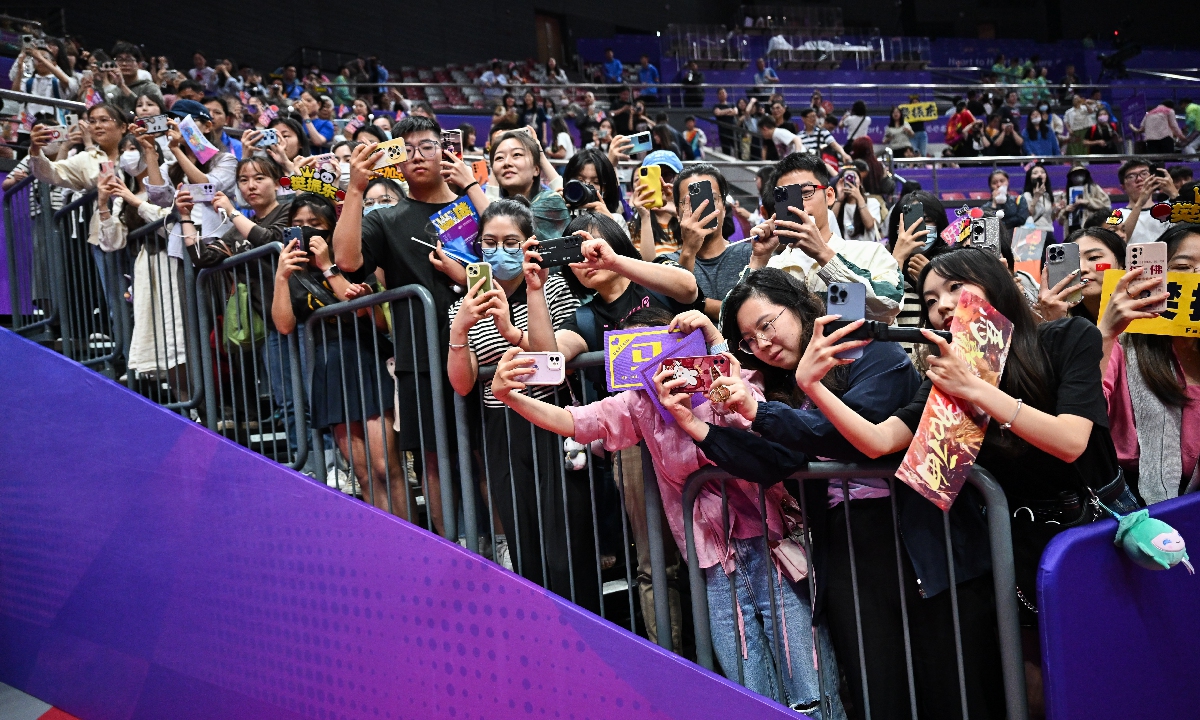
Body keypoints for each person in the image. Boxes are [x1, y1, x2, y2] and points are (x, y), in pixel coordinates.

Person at [666, 266, 1005, 720]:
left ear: (801, 305)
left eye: (767, 324)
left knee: (953, 688)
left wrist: (761, 410)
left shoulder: (874, 352)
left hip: (923, 539)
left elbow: (852, 435)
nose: (763, 344)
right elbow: (771, 460)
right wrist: (698, 427)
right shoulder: (780, 391)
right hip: (845, 547)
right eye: (749, 340)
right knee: (878, 690)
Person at [490, 304, 845, 716]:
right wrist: (509, 398)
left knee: (810, 685)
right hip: (714, 567)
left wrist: (714, 342)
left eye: (664, 344)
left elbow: (757, 415)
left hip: (773, 550)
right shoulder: (636, 405)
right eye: (638, 351)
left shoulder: (723, 379)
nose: (655, 360)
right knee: (751, 690)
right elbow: (575, 421)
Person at [524, 210, 701, 652]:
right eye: (574, 252)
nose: (584, 258)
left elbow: (688, 288)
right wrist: (535, 289)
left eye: (590, 245)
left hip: (697, 430)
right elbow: (550, 359)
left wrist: (617, 262)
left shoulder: (649, 280)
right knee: (653, 563)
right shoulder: (583, 318)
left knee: (713, 555)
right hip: (636, 445)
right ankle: (674, 669)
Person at [333, 115, 485, 536]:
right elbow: (346, 262)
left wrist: (472, 187)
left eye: (427, 146)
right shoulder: (386, 217)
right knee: (434, 459)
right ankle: (455, 549)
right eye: (407, 149)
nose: (417, 155)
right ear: (395, 160)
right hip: (420, 355)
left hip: (486, 345)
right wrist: (356, 188)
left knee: (486, 451)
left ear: (445, 151)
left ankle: (506, 549)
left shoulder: (473, 204)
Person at [446, 198, 601, 610]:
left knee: (567, 546)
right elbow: (463, 383)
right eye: (490, 242)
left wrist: (511, 326)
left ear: (528, 243)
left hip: (554, 425)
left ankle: (591, 633)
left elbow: (551, 364)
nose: (500, 250)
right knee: (525, 543)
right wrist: (460, 327)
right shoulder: (460, 305)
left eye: (511, 242)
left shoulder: (551, 287)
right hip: (501, 432)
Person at [272, 193, 408, 516]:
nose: (305, 232)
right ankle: (387, 545)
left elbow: (376, 320)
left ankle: (414, 544)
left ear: (331, 228)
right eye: (298, 225)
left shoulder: (353, 261)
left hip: (367, 359)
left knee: (385, 467)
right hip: (330, 368)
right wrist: (280, 276)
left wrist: (328, 267)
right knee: (362, 472)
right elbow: (284, 325)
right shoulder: (293, 272)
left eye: (314, 225)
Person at [1099, 222, 1200, 504]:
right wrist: (1106, 332)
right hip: (1134, 506)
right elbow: (1084, 415)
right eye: (1183, 266)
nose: (1197, 276)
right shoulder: (1122, 345)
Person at [750, 153, 903, 324]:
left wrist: (824, 255)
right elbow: (738, 326)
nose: (798, 206)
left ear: (829, 196)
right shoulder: (773, 267)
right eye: (786, 198)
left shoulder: (871, 253)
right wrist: (758, 260)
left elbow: (889, 306)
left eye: (806, 192)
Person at [661, 165, 749, 320]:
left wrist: (699, 304)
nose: (702, 207)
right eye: (690, 202)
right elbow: (675, 310)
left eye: (712, 199)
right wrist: (688, 250)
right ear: (677, 212)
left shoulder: (750, 254)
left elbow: (755, 314)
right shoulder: (667, 264)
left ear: (723, 205)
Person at [886, 190, 948, 359]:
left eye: (928, 221)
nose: (920, 229)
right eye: (912, 222)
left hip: (939, 363)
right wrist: (897, 257)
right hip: (897, 365)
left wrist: (933, 280)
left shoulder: (954, 266)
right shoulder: (879, 263)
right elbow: (876, 309)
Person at [488, 129, 568, 240]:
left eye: (516, 154)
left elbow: (492, 221)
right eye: (499, 158)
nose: (506, 163)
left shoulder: (550, 201)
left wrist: (540, 154)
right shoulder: (499, 206)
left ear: (536, 169)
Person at [630, 150, 683, 260]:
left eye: (667, 175)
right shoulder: (636, 224)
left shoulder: (689, 213)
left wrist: (680, 213)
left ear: (679, 178)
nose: (661, 181)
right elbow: (648, 266)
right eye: (654, 176)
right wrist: (645, 217)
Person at [1118, 158, 1177, 244]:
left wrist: (1174, 194)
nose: (1139, 179)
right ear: (1123, 187)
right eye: (1131, 176)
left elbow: (1188, 228)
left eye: (1144, 173)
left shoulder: (1168, 209)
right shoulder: (1116, 213)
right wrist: (1140, 203)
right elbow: (1117, 241)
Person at [561, 148, 624, 223]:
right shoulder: (560, 215)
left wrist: (607, 223)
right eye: (580, 181)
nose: (586, 187)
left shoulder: (616, 219)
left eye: (596, 182)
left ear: (606, 190)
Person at [1053, 165, 1111, 235]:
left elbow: (1106, 205)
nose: (1078, 176)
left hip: (1091, 230)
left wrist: (1087, 202)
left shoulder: (1094, 188)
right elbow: (1060, 221)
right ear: (1070, 177)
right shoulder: (1066, 195)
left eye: (1081, 173)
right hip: (1072, 232)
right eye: (1075, 174)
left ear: (1085, 175)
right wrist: (1066, 211)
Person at [830, 166, 881, 242]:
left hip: (865, 250)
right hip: (843, 250)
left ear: (860, 182)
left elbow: (870, 225)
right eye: (846, 178)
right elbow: (829, 224)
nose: (850, 180)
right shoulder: (836, 203)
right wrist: (839, 199)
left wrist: (859, 198)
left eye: (853, 177)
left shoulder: (872, 202)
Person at [1022, 163, 1056, 233]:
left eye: (1042, 172)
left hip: (1048, 231)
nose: (1040, 174)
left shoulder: (1048, 196)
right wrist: (1036, 197)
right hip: (1033, 233)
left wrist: (1057, 210)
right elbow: (1027, 215)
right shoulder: (1026, 195)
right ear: (1030, 177)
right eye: (1035, 173)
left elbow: (1050, 218)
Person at [712, 88, 739, 156]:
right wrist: (729, 110)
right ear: (717, 96)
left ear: (726, 94)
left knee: (737, 146)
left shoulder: (732, 104)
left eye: (723, 93)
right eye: (720, 93)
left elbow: (735, 112)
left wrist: (723, 112)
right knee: (726, 150)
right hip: (723, 130)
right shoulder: (716, 106)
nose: (722, 95)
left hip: (732, 129)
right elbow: (717, 113)